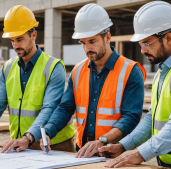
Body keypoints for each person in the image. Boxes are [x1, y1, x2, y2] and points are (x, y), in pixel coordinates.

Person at [100, 1, 171, 168]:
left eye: (147, 43)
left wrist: (140, 153)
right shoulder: (164, 70)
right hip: (169, 163)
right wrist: (124, 146)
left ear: (168, 38)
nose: (142, 50)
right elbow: (152, 119)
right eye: (141, 44)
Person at [40, 3, 146, 158]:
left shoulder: (130, 71)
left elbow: (131, 118)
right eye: (83, 42)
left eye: (92, 41)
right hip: (82, 153)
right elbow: (65, 108)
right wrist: (48, 131)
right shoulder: (77, 71)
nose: (86, 48)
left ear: (107, 37)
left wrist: (102, 141)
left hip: (115, 155)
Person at [0, 5, 75, 153]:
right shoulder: (8, 68)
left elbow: (49, 109)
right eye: (12, 40)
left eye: (19, 39)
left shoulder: (53, 67)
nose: (15, 45)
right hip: (20, 145)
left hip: (53, 144)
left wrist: (28, 137)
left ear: (33, 35)